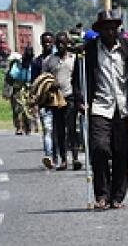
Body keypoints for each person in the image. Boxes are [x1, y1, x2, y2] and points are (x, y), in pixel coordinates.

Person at [73, 10, 128, 210]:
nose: (109, 31)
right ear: (99, 30)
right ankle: (101, 194)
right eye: (105, 28)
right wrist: (81, 100)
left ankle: (117, 196)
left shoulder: (126, 47)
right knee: (99, 148)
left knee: (121, 152)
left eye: (113, 27)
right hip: (99, 106)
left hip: (123, 106)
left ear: (117, 29)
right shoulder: (88, 51)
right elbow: (78, 80)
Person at [42, 32, 80, 171]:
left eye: (63, 43)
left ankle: (75, 157)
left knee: (72, 128)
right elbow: (44, 79)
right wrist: (50, 86)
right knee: (59, 130)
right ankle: (63, 159)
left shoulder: (74, 59)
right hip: (56, 99)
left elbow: (77, 79)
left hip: (70, 97)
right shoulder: (49, 61)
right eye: (58, 43)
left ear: (67, 43)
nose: (60, 45)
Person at [32, 32, 56, 167]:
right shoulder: (37, 62)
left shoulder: (57, 60)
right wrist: (34, 102)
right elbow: (34, 83)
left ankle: (59, 156)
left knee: (58, 131)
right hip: (44, 102)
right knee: (47, 129)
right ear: (41, 43)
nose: (47, 44)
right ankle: (49, 155)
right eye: (45, 42)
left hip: (59, 101)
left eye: (49, 42)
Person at [7, 48, 34, 135]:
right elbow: (12, 75)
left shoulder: (33, 64)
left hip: (29, 88)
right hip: (18, 88)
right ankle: (19, 127)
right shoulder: (18, 64)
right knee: (18, 108)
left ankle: (28, 127)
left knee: (29, 108)